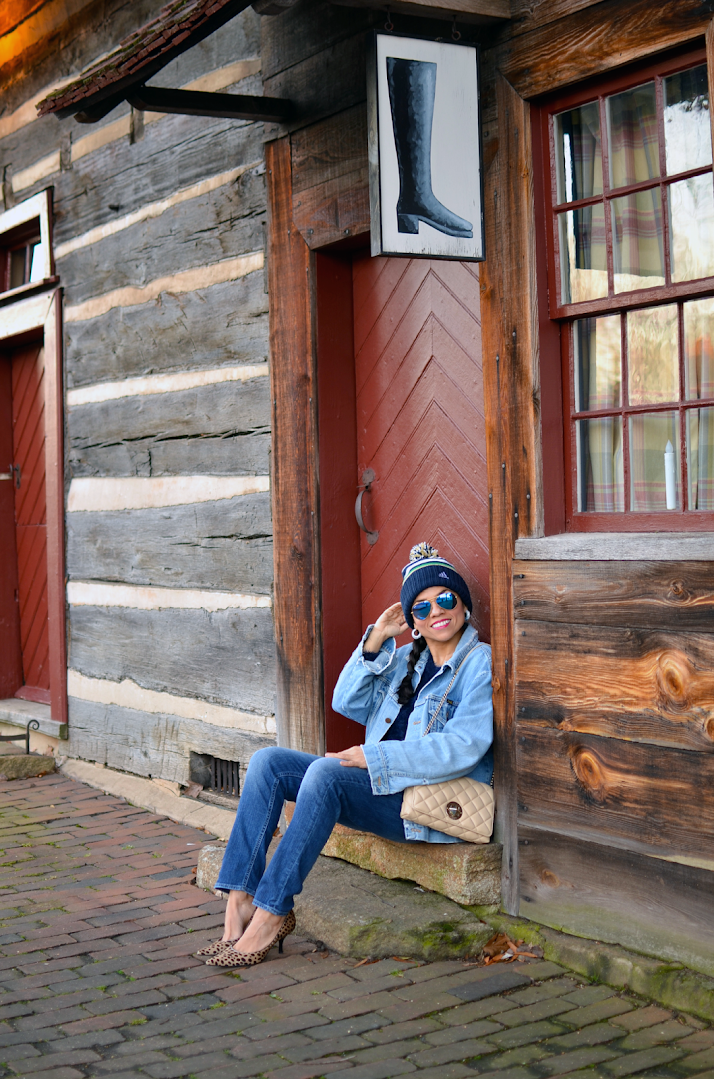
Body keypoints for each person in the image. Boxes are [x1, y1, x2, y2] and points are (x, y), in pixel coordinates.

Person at [199, 542, 493, 968]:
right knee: (268, 762)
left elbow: (465, 746)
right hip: (379, 785)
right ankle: (240, 899)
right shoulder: (407, 663)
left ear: (463, 605)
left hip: (422, 805)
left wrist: (377, 760)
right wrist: (376, 640)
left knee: (325, 775)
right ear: (413, 622)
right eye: (423, 607)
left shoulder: (477, 663)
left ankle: (272, 912)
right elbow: (346, 701)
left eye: (445, 599)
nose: (437, 612)